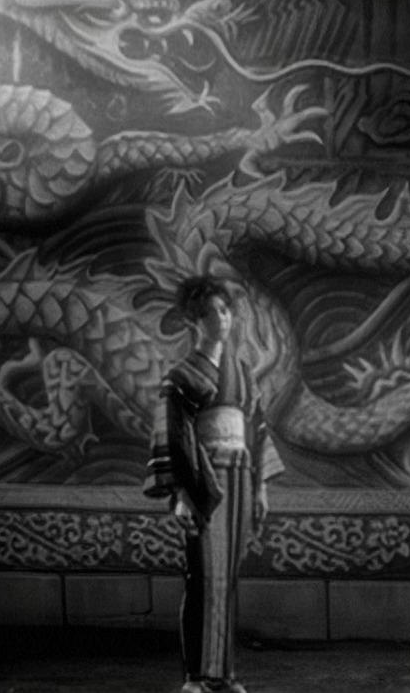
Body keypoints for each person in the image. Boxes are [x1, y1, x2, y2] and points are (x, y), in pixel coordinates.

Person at [143, 276, 283, 693]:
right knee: (202, 576)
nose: (220, 319)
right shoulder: (180, 376)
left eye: (224, 311)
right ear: (193, 321)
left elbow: (256, 430)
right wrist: (182, 494)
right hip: (204, 480)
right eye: (208, 314)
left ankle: (224, 675)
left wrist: (261, 488)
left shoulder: (242, 374)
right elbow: (174, 437)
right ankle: (195, 676)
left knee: (228, 578)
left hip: (240, 476)